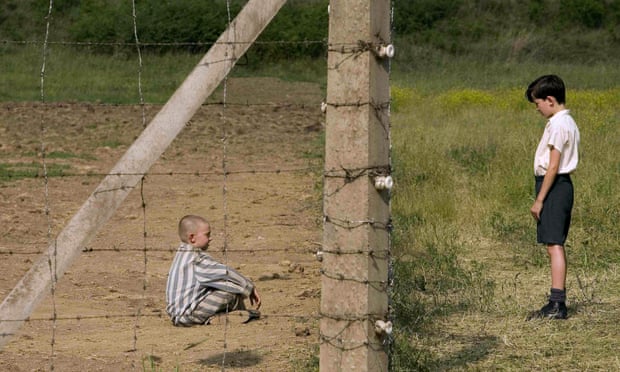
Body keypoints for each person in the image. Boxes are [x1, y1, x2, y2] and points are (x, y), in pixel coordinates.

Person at [524, 75, 580, 320]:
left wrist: (540, 199)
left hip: (555, 185)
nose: (537, 109)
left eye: (537, 104)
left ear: (550, 99)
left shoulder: (558, 125)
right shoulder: (566, 122)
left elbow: (554, 166)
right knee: (552, 244)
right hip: (558, 186)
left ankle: (557, 303)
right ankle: (556, 301)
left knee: (554, 245)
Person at [166, 214, 261, 326]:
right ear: (192, 238)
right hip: (187, 315)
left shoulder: (183, 254)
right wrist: (249, 286)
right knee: (230, 289)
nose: (210, 238)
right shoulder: (196, 259)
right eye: (207, 235)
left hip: (178, 315)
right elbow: (224, 273)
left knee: (224, 286)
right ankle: (232, 315)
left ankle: (225, 316)